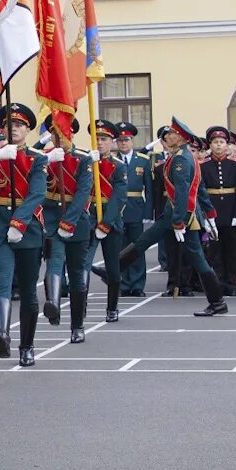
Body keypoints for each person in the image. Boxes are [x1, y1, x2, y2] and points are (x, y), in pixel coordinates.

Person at [94, 117, 228, 317]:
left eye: (172, 133)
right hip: (173, 212)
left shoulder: (181, 159)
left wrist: (179, 221)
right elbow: (199, 189)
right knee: (144, 240)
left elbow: (184, 192)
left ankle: (217, 301)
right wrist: (209, 214)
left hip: (182, 215)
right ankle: (114, 268)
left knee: (197, 258)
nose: (168, 136)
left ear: (181, 138)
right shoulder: (182, 155)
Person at [0, 104, 47, 365]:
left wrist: (19, 223)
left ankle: (27, 345)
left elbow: (37, 194)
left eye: (19, 125)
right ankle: (2, 334)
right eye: (9, 125)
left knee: (29, 290)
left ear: (28, 129)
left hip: (27, 228)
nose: (14, 129)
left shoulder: (36, 158)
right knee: (2, 279)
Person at [38, 118, 94, 343]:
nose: (58, 137)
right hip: (52, 218)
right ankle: (52, 302)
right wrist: (46, 156)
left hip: (77, 221)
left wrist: (69, 222)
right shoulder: (47, 158)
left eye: (63, 132)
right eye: (54, 133)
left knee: (77, 274)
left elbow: (83, 193)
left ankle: (77, 325)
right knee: (54, 261)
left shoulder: (83, 159)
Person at [84, 120, 127, 324]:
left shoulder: (118, 166)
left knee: (113, 268)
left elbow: (119, 197)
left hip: (110, 219)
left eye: (104, 139)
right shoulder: (86, 162)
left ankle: (112, 307)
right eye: (97, 139)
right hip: (89, 218)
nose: (100, 143)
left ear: (112, 142)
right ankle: (80, 307)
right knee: (83, 266)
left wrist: (106, 223)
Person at [201, 126, 236, 296]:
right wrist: (205, 215)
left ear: (227, 145)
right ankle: (219, 282)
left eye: (222, 142)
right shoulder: (204, 165)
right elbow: (201, 192)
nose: (219, 146)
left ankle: (232, 282)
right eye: (215, 142)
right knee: (215, 251)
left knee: (232, 251)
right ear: (210, 145)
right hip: (213, 212)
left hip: (231, 210)